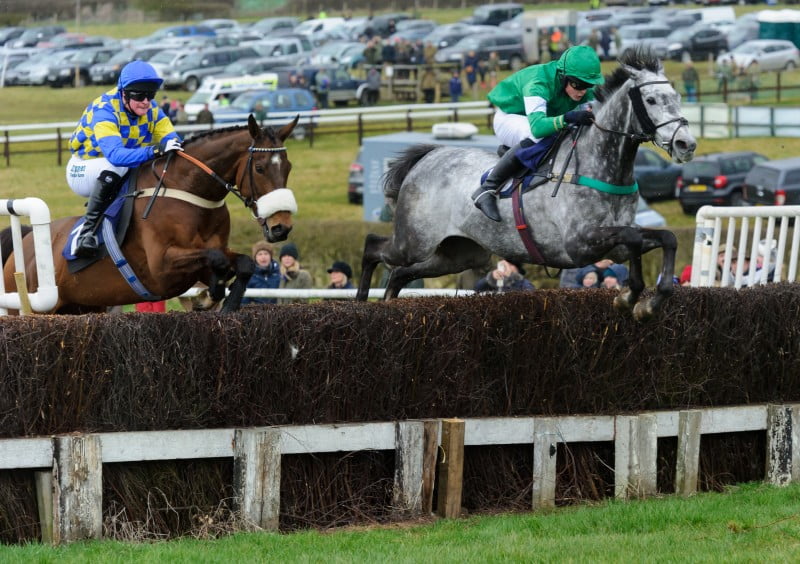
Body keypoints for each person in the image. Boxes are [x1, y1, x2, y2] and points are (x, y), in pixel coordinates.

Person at [471, 44, 604, 222]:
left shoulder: (580, 87)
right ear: (563, 76)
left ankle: (518, 156)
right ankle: (487, 188)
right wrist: (569, 117)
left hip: (539, 118)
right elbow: (538, 127)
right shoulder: (538, 82)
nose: (582, 91)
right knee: (541, 134)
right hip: (510, 118)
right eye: (577, 84)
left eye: (587, 85)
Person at [66, 60, 182, 258]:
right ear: (124, 93)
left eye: (150, 95)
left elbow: (172, 140)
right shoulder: (104, 110)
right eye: (139, 95)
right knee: (118, 166)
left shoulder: (152, 109)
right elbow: (116, 156)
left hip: (117, 163)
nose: (146, 101)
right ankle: (88, 232)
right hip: (83, 168)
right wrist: (155, 150)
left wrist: (170, 147)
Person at [242, 241, 281, 305]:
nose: (263, 257)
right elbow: (243, 301)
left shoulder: (279, 274)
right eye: (260, 254)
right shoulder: (248, 276)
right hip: (256, 312)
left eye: (266, 254)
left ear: (270, 256)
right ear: (255, 257)